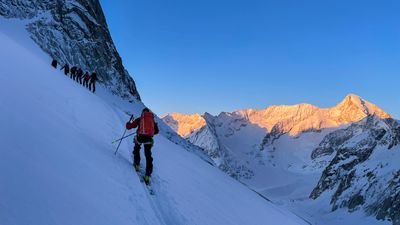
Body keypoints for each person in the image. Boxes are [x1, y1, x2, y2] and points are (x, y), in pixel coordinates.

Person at [126, 108, 159, 185]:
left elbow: (130, 126)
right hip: (149, 139)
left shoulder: (140, 119)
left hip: (140, 137)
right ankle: (147, 175)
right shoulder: (152, 120)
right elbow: (157, 131)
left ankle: (137, 164)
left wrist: (128, 123)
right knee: (148, 155)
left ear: (142, 113)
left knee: (137, 148)